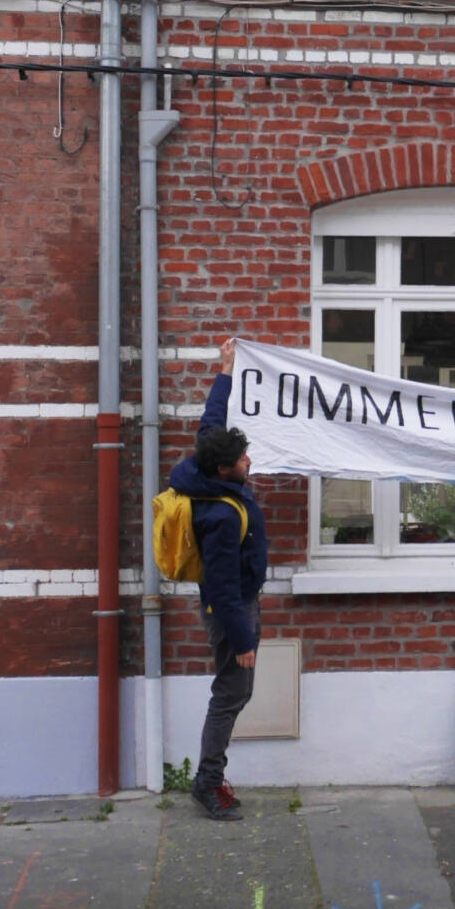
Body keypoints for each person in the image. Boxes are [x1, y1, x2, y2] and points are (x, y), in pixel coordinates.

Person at [167, 336, 269, 819]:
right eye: (243, 461)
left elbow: (213, 418)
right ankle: (208, 783)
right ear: (225, 470)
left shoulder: (206, 464)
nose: (250, 462)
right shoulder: (220, 518)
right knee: (231, 693)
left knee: (233, 692)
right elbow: (225, 588)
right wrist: (243, 639)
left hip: (234, 601)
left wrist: (225, 369)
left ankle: (210, 776)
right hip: (233, 607)